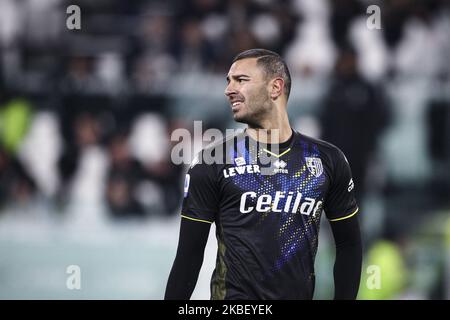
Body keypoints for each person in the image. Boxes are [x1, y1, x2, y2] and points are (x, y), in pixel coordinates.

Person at [165, 49, 362, 300]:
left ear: (275, 87)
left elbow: (349, 245)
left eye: (241, 80)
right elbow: (189, 256)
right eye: (228, 81)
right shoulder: (211, 162)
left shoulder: (328, 160)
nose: (229, 89)